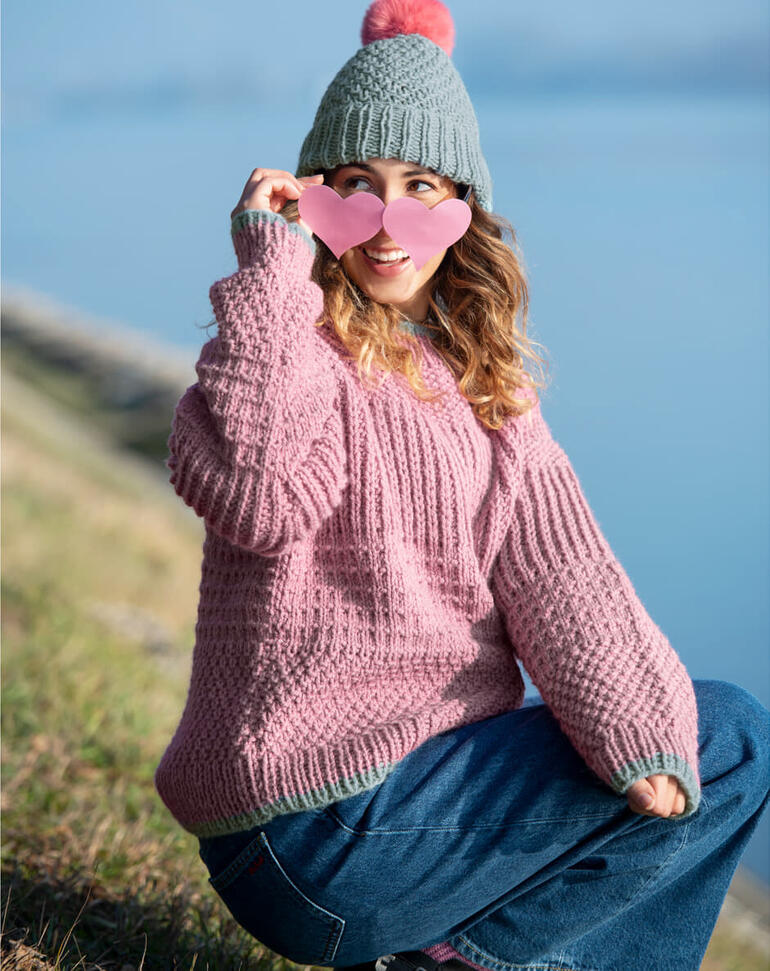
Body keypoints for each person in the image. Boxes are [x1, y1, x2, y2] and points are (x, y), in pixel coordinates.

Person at [153, 1, 770, 969]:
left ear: (461, 210)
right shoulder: (286, 346)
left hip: (414, 809)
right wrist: (272, 269)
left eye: (419, 187)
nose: (387, 221)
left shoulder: (490, 391)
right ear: (311, 197)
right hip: (307, 826)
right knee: (731, 736)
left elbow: (563, 578)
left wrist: (639, 739)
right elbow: (255, 490)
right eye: (355, 186)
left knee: (714, 738)